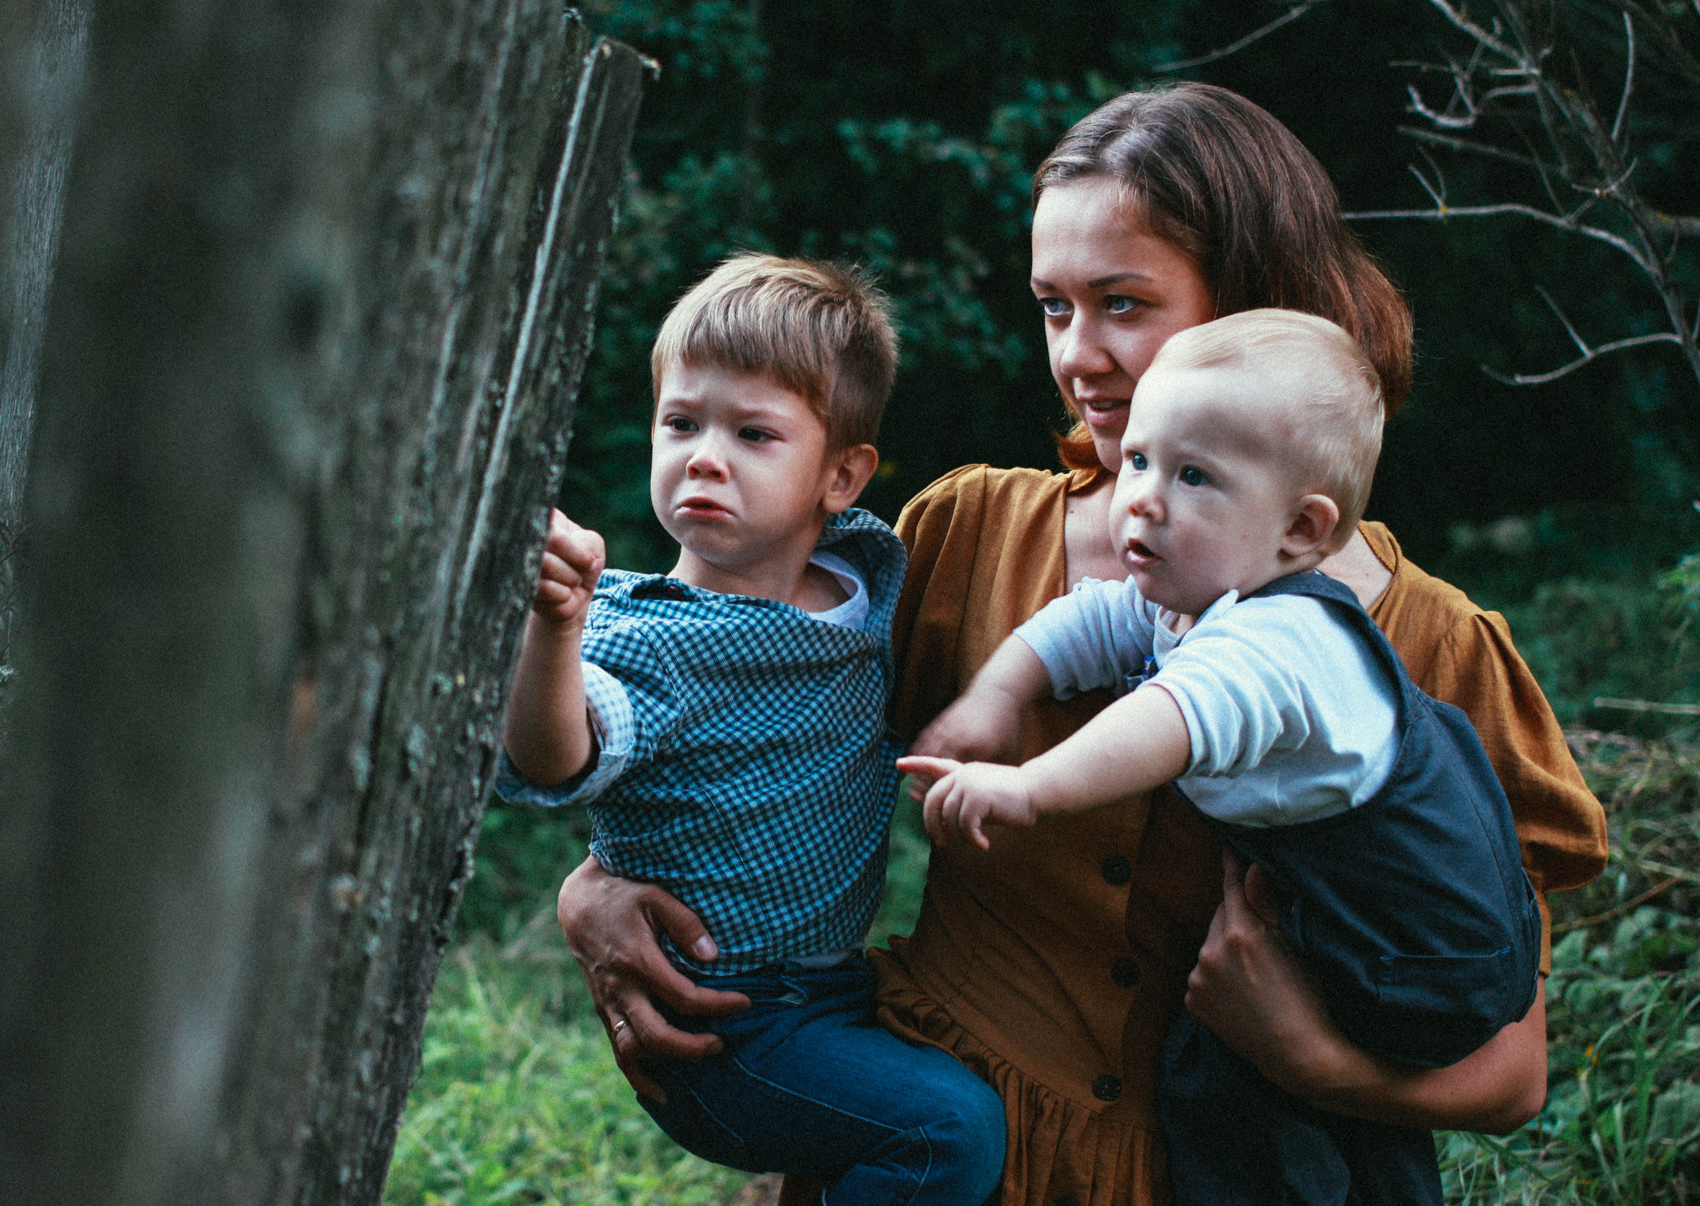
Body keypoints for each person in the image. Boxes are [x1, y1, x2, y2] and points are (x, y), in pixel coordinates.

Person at [553, 83, 1608, 1206]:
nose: (1079, 356)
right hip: (945, 1149)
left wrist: (1307, 1055)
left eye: (1121, 303)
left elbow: (1510, 1073)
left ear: (1257, 307)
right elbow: (726, 714)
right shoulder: (962, 537)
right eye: (1052, 307)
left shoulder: (1429, 649)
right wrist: (597, 886)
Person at [902, 310, 1542, 1206]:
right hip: (1331, 912)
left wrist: (1031, 786)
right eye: (1137, 461)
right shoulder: (1200, 591)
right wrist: (997, 696)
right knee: (1229, 1084)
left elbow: (1174, 715)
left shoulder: (1287, 637)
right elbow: (1089, 619)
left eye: (1193, 475)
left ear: (1299, 527)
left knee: (1256, 1118)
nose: (1144, 498)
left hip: (1419, 952)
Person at [497, 253, 1007, 1206]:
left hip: (838, 988)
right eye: (681, 421)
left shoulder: (869, 576)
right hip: (726, 1024)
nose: (703, 454)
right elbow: (558, 752)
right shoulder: (648, 637)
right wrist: (554, 628)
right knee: (953, 1128)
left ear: (843, 476)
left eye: (753, 433)